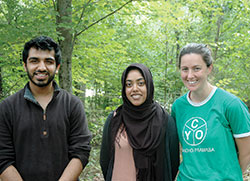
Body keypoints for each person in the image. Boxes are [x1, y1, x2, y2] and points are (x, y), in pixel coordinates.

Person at [0, 36, 92, 181]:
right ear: (25, 65)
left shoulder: (73, 105)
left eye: (48, 61)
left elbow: (81, 151)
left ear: (57, 67)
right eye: (34, 61)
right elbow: (2, 158)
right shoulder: (7, 107)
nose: (41, 67)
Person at [171, 43, 250, 180]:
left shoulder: (231, 105)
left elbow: (246, 152)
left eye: (196, 68)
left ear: (209, 68)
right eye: (185, 69)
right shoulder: (178, 107)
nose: (190, 75)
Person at [100, 63, 179, 181]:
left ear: (149, 85)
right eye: (129, 84)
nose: (135, 89)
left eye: (141, 83)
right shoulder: (115, 119)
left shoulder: (165, 121)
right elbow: (105, 160)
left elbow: (173, 163)